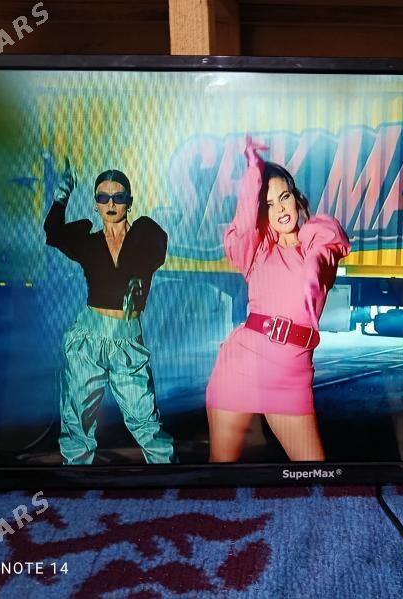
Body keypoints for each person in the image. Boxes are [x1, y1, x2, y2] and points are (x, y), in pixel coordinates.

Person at [205, 137, 351, 462]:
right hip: (240, 367)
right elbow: (244, 224)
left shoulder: (319, 240)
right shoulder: (256, 251)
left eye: (284, 197)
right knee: (220, 475)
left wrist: (312, 266)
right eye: (268, 204)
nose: (280, 209)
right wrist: (253, 172)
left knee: (314, 474)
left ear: (296, 198)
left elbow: (328, 244)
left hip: (291, 376)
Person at [44, 159, 176, 465]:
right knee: (77, 421)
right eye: (103, 197)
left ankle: (170, 479)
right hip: (88, 337)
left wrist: (137, 278)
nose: (111, 204)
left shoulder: (146, 234)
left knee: (146, 421)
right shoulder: (87, 241)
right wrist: (62, 195)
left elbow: (155, 253)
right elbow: (53, 233)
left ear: (129, 201)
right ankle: (76, 480)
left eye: (118, 197)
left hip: (127, 339)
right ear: (95, 204)